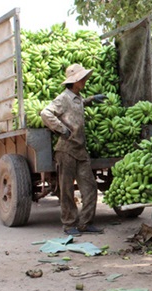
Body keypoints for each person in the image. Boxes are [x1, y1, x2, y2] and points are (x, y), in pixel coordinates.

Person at [41, 64, 106, 236]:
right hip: (66, 150)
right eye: (82, 78)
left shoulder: (77, 98)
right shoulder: (62, 98)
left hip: (80, 150)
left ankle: (86, 223)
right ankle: (69, 224)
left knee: (90, 188)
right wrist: (62, 129)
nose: (85, 80)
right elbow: (45, 113)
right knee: (67, 189)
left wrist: (91, 99)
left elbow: (77, 105)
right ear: (75, 81)